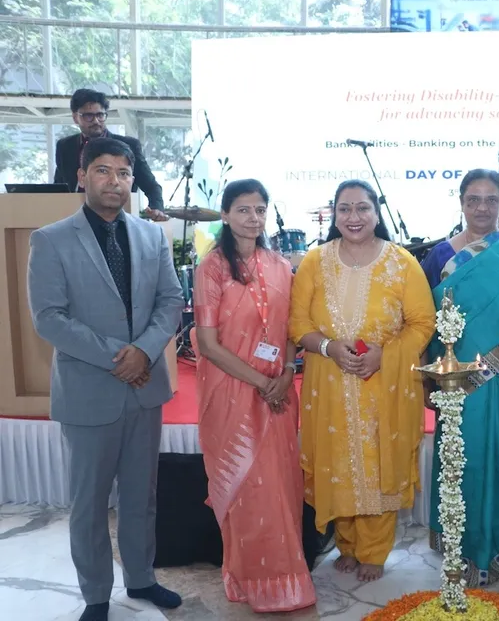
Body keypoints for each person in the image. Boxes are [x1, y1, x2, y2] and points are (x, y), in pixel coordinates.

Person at [27, 137, 184, 621]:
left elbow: (171, 301)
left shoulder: (151, 236)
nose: (113, 181)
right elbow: (49, 317)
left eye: (122, 173)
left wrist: (145, 351)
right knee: (89, 503)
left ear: (132, 181)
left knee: (142, 496)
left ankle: (142, 578)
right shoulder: (50, 239)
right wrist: (120, 357)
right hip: (89, 391)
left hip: (144, 390)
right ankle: (96, 595)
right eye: (102, 171)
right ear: (82, 176)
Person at [289, 179, 435, 582]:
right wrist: (328, 347)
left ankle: (374, 549)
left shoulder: (402, 262)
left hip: (383, 384)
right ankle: (347, 543)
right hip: (330, 380)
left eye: (362, 208)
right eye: (344, 209)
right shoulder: (315, 262)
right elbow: (298, 322)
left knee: (377, 464)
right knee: (337, 461)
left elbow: (422, 322)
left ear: (376, 213)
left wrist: (384, 356)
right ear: (334, 214)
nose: (353, 217)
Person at [192, 179, 316, 612]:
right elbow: (207, 344)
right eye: (243, 210)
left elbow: (289, 331)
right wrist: (263, 383)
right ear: (225, 215)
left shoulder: (282, 265)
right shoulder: (211, 269)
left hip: (278, 394)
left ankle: (286, 581)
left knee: (280, 486)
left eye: (260, 209)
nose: (254, 218)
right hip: (231, 394)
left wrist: (285, 371)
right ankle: (247, 578)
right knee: (245, 487)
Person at [419, 168, 499, 586]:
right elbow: (426, 320)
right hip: (457, 385)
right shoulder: (439, 256)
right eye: (474, 199)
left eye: (491, 199)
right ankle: (461, 547)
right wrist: (428, 376)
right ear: (461, 202)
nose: (482, 207)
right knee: (462, 459)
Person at [54, 89, 167, 221]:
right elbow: (59, 187)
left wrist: (156, 208)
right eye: (89, 116)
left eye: (100, 115)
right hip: (75, 218)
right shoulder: (65, 146)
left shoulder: (128, 145)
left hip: (119, 217)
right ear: (75, 117)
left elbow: (152, 186)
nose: (96, 121)